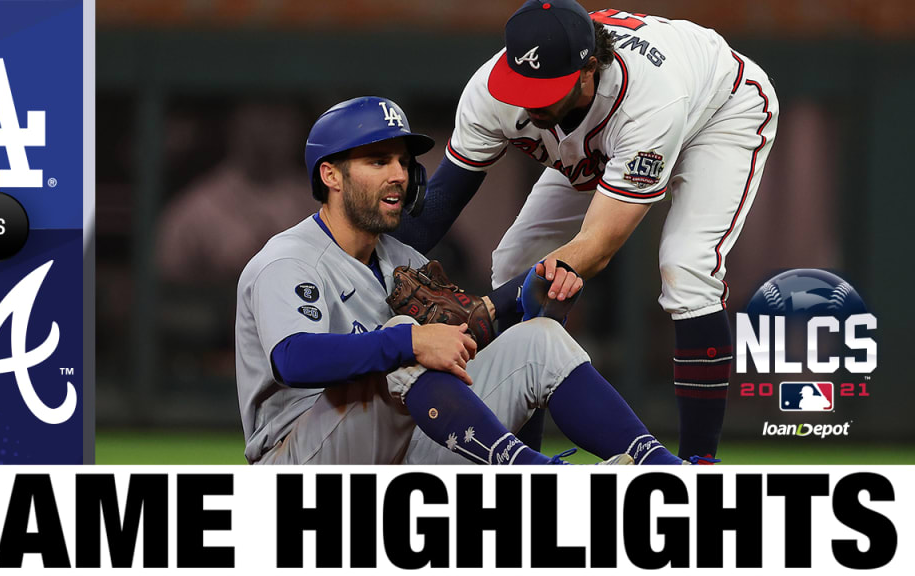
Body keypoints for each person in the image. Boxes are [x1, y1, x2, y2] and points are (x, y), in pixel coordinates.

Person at [393, 0, 779, 461]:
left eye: (544, 88)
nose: (528, 99)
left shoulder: (649, 100)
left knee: (687, 266)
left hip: (718, 110)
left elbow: (596, 247)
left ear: (588, 70)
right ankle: (522, 458)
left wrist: (488, 309)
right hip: (605, 142)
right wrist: (366, 265)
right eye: (521, 84)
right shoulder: (492, 91)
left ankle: (697, 468)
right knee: (515, 261)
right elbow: (438, 207)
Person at [234, 96, 689, 466]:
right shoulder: (288, 260)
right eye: (377, 161)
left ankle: (661, 470)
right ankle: (534, 473)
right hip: (297, 458)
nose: (398, 174)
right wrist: (409, 343)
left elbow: (459, 343)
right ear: (330, 175)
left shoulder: (400, 258)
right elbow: (292, 359)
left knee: (540, 340)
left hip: (398, 443)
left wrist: (528, 306)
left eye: (401, 161)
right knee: (403, 338)